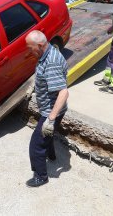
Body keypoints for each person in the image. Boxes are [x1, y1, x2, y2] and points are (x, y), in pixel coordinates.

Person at [25, 30, 69, 188]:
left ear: (40, 45)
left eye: (30, 48)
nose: (29, 51)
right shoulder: (48, 52)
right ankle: (51, 155)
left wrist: (50, 120)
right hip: (50, 109)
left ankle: (41, 176)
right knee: (47, 137)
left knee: (36, 145)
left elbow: (63, 92)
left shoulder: (51, 62)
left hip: (52, 111)